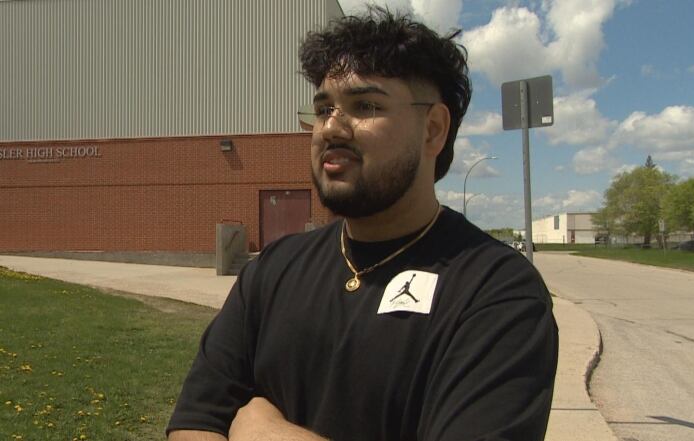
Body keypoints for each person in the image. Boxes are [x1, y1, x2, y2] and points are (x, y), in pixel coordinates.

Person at [167, 7, 557, 441]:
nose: (331, 127)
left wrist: (267, 433)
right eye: (323, 109)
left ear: (432, 130)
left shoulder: (497, 292)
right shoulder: (272, 270)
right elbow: (194, 424)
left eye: (364, 105)